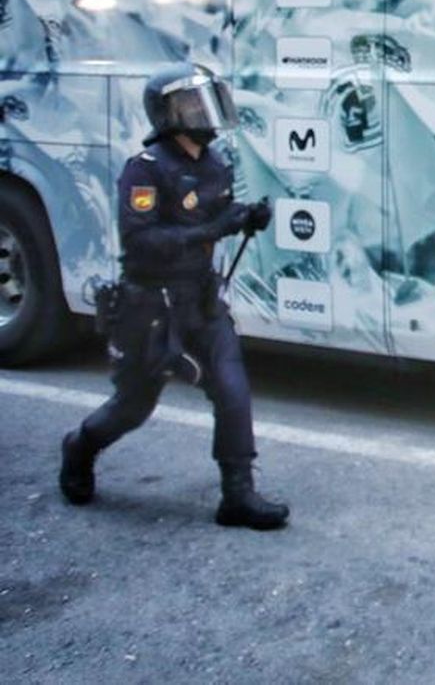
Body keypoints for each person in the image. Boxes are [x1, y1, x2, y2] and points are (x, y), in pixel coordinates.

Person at [59, 62, 290, 531]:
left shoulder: (215, 163)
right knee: (132, 408)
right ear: (167, 116)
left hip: (201, 301)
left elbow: (217, 216)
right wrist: (211, 227)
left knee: (233, 390)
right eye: (191, 104)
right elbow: (140, 241)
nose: (203, 112)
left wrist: (246, 217)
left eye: (206, 100)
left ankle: (238, 495)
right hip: (150, 307)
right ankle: (79, 448)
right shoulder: (145, 171)